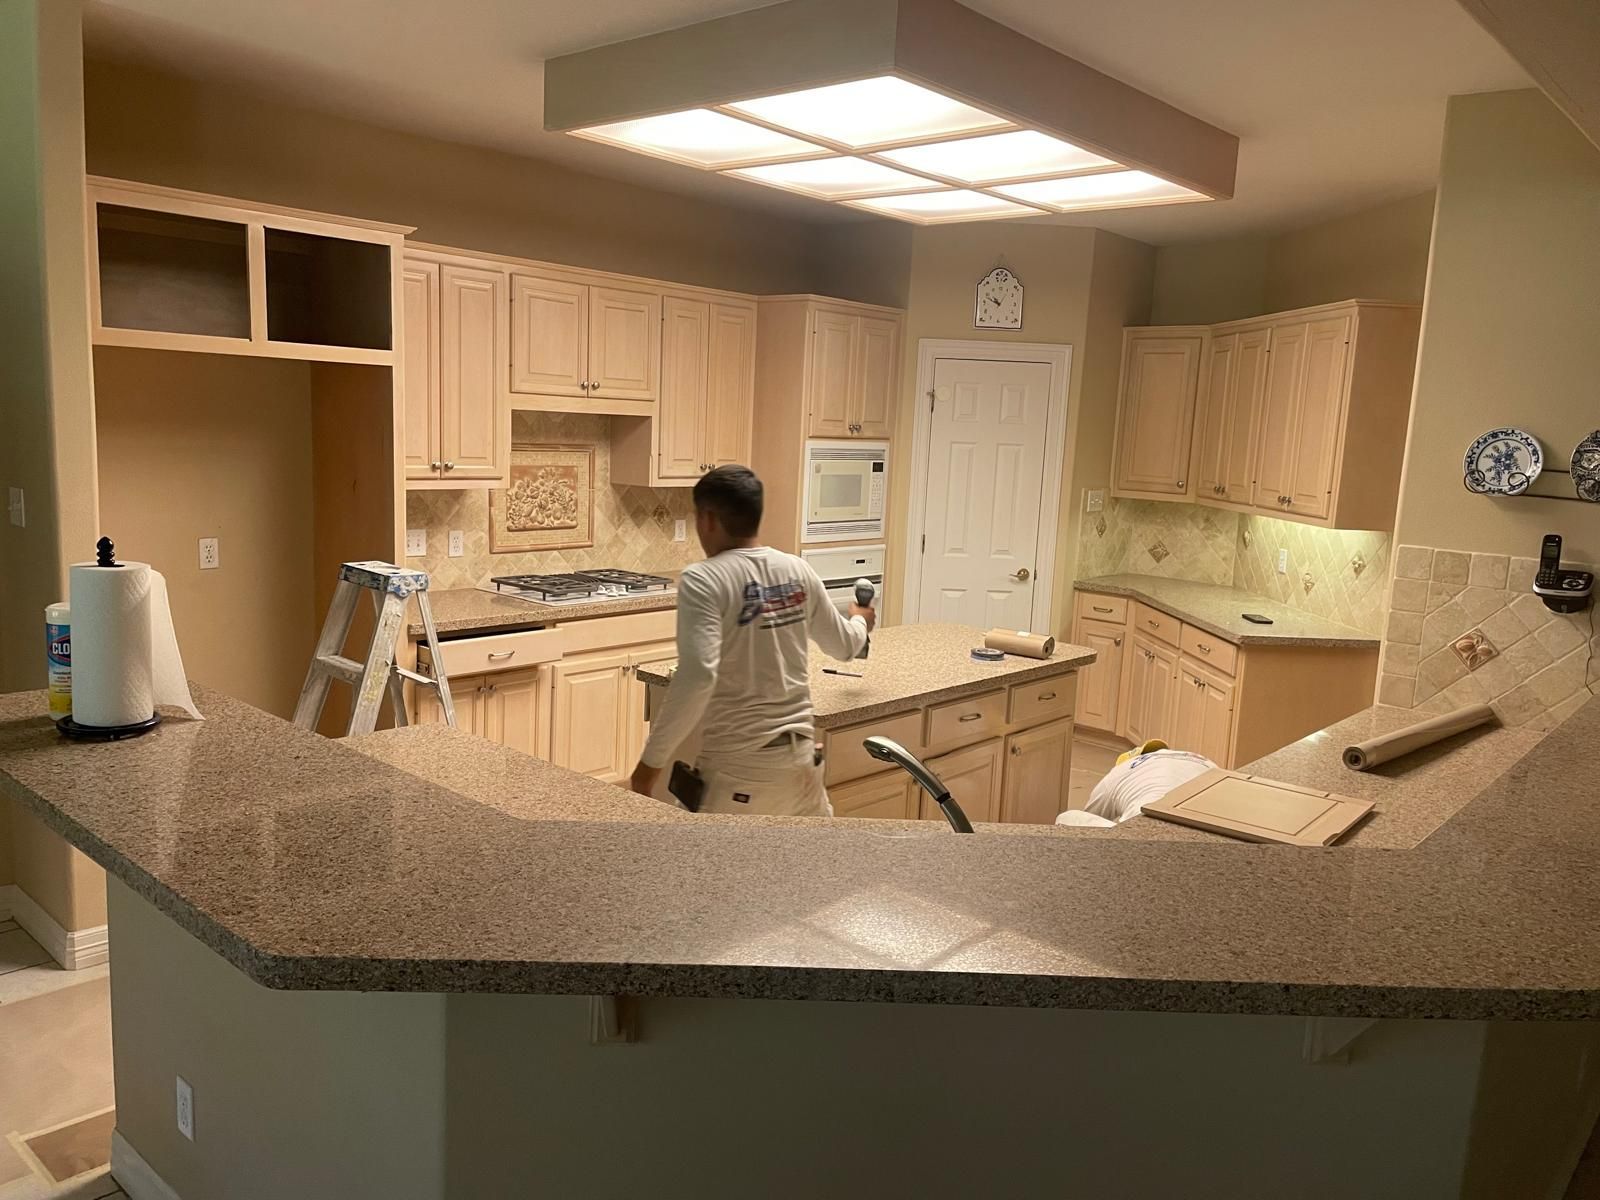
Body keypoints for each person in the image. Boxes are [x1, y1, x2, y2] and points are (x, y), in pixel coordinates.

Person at [629, 465, 876, 816]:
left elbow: (698, 673)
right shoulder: (797, 570)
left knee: (720, 871)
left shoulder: (704, 579)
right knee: (808, 868)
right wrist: (860, 621)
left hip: (740, 773)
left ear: (709, 519)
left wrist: (649, 766)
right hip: (802, 765)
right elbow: (845, 646)